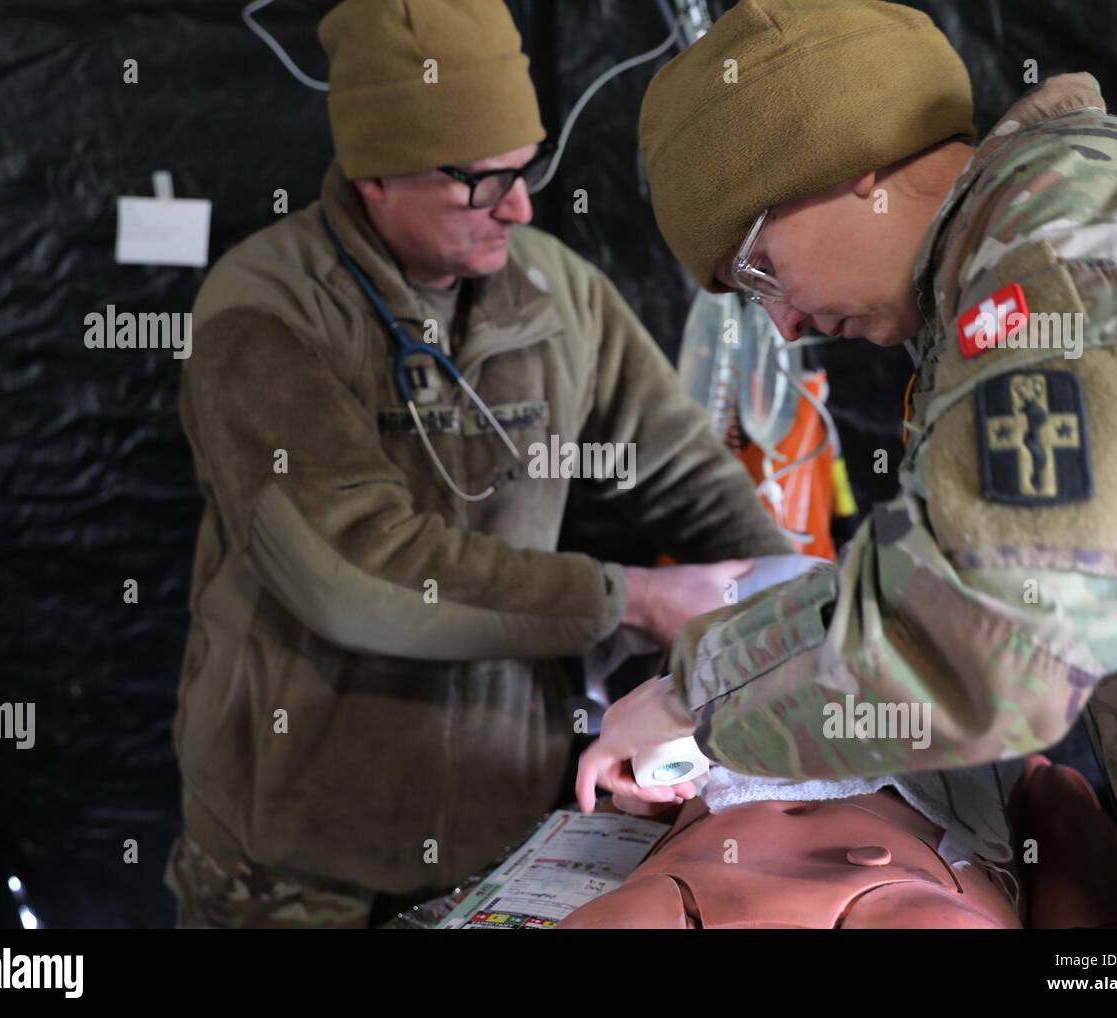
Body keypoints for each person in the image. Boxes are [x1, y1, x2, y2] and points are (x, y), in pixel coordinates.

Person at [577, 0, 1117, 929]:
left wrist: (701, 694)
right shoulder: (1003, 273)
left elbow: (995, 637)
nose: (786, 324)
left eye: (759, 268)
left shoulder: (1063, 241)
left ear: (853, 164)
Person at [163, 0, 793, 928]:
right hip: (297, 856)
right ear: (376, 174)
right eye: (481, 180)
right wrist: (629, 600)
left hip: (500, 826)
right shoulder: (266, 314)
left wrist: (778, 618)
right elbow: (351, 567)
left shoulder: (556, 293)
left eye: (527, 171)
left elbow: (685, 477)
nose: (521, 205)